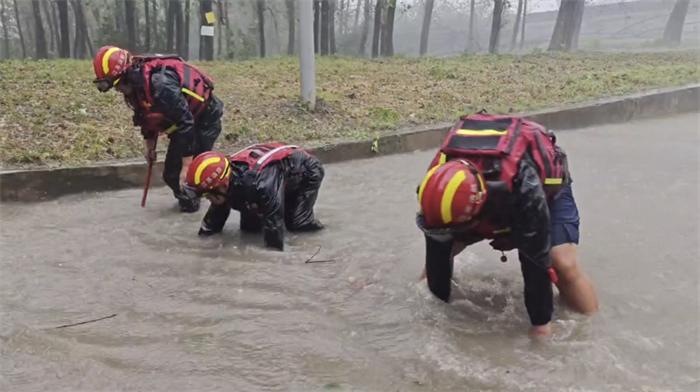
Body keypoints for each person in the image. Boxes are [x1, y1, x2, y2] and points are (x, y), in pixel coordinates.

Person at [416, 113, 598, 336]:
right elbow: (437, 243)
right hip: (477, 202)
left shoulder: (523, 186)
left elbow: (535, 261)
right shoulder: (437, 183)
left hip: (543, 194)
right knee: (441, 253)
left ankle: (593, 328)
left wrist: (541, 332)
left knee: (562, 263)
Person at [92, 45, 224, 212]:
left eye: (118, 84)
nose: (118, 90)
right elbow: (146, 117)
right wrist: (150, 147)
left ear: (128, 74)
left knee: (193, 175)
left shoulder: (162, 86)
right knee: (171, 176)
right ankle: (190, 201)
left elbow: (186, 123)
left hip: (204, 120)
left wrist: (187, 166)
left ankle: (215, 199)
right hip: (182, 123)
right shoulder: (136, 87)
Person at [183, 143, 325, 250]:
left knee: (296, 223)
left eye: (207, 194)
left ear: (222, 185)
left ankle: (324, 232)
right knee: (249, 230)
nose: (207, 199)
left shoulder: (261, 186)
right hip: (272, 176)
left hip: (305, 171)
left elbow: (274, 229)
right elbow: (212, 225)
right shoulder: (225, 186)